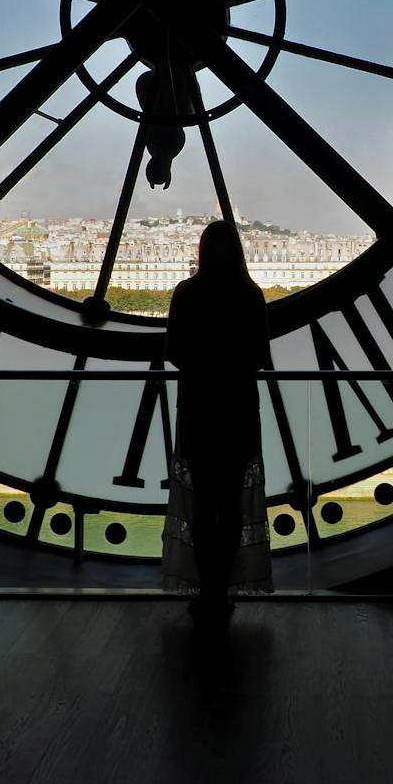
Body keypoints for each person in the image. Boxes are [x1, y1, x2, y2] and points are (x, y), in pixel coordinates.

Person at [161, 220, 274, 616]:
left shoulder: (187, 293)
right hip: (238, 406)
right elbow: (261, 356)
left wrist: (203, 366)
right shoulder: (250, 295)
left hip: (199, 406)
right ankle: (222, 586)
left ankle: (206, 586)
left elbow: (174, 350)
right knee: (230, 504)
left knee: (202, 503)